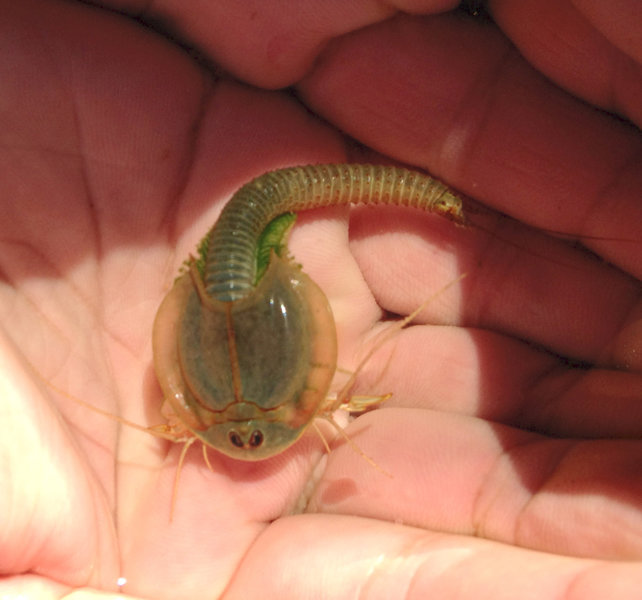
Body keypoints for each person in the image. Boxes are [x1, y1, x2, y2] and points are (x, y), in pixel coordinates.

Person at [1, 1, 640, 597]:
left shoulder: (206, 398)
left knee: (281, 200)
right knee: (273, 206)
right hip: (237, 255)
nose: (247, 440)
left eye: (244, 435)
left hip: (235, 250)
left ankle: (434, 200)